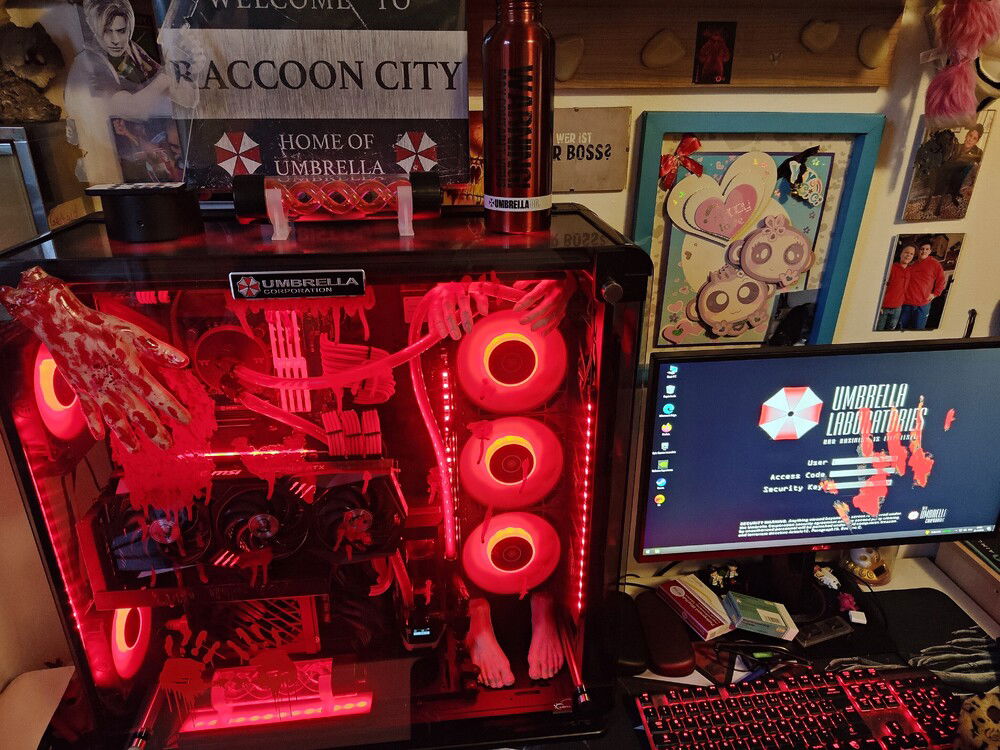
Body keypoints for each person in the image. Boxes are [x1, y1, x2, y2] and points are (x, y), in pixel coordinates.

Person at [64, 0, 172, 183]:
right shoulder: (90, 63)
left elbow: (165, 89)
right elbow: (131, 109)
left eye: (121, 31)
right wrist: (168, 75)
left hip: (136, 151)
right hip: (111, 165)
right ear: (95, 28)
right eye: (107, 31)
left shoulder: (131, 50)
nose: (115, 40)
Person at [900, 237, 946, 330]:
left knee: (918, 331)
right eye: (922, 249)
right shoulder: (912, 264)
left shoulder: (935, 264)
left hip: (923, 305)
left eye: (927, 249)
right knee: (901, 329)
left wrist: (935, 294)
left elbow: (941, 281)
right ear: (918, 251)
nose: (924, 251)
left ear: (930, 251)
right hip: (907, 303)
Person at [876, 242, 915, 331]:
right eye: (906, 252)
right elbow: (880, 287)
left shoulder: (910, 271)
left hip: (898, 308)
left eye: (911, 254)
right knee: (878, 332)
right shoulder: (891, 268)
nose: (908, 255)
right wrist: (879, 305)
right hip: (884, 308)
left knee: (890, 332)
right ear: (901, 253)